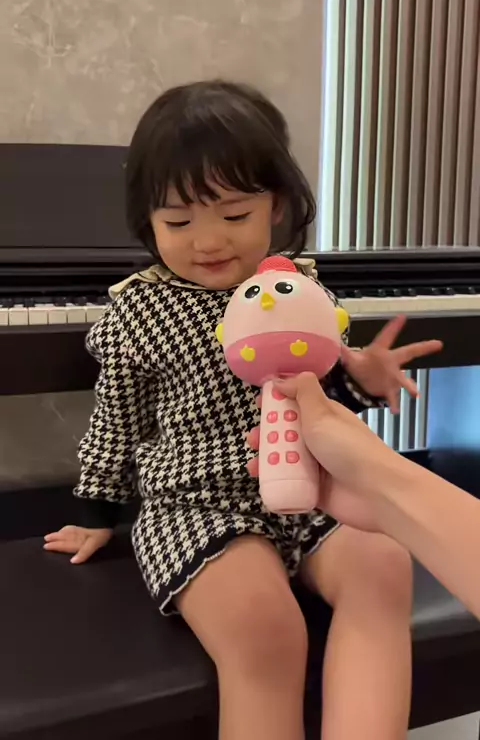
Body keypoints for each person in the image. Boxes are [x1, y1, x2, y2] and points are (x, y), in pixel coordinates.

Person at [44, 80, 441, 740]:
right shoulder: (140, 310)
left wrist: (363, 380)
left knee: (383, 567)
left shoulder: (300, 288)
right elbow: (117, 419)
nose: (207, 241)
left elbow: (324, 394)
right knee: (265, 629)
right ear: (148, 221)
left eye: (233, 216)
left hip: (315, 489)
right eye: (178, 223)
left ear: (275, 206)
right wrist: (96, 512)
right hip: (196, 504)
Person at [247, 372, 480, 621]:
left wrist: (360, 380)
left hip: (324, 493)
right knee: (259, 607)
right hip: (228, 509)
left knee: (383, 565)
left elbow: (332, 397)